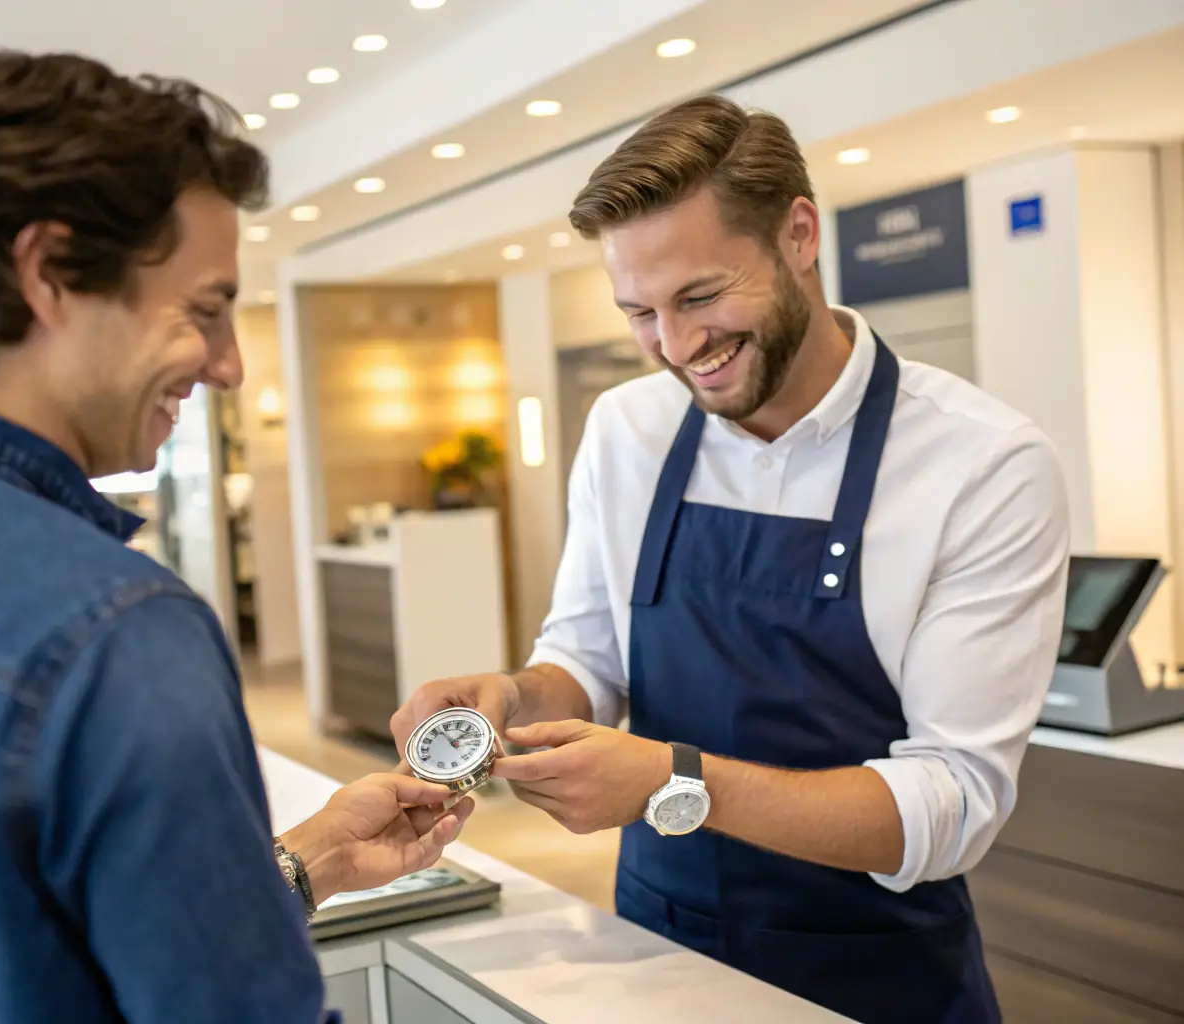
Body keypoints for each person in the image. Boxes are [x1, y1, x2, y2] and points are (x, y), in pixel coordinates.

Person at [0, 50, 473, 1024]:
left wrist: (302, 865)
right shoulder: (115, 626)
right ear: (46, 273)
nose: (231, 365)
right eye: (206, 310)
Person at [392, 94, 1071, 1023]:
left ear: (799, 234)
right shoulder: (627, 429)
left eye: (701, 297)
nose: (675, 347)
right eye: (640, 312)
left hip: (876, 974)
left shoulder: (981, 463)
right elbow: (587, 660)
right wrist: (513, 696)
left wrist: (677, 783)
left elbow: (951, 806)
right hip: (655, 946)